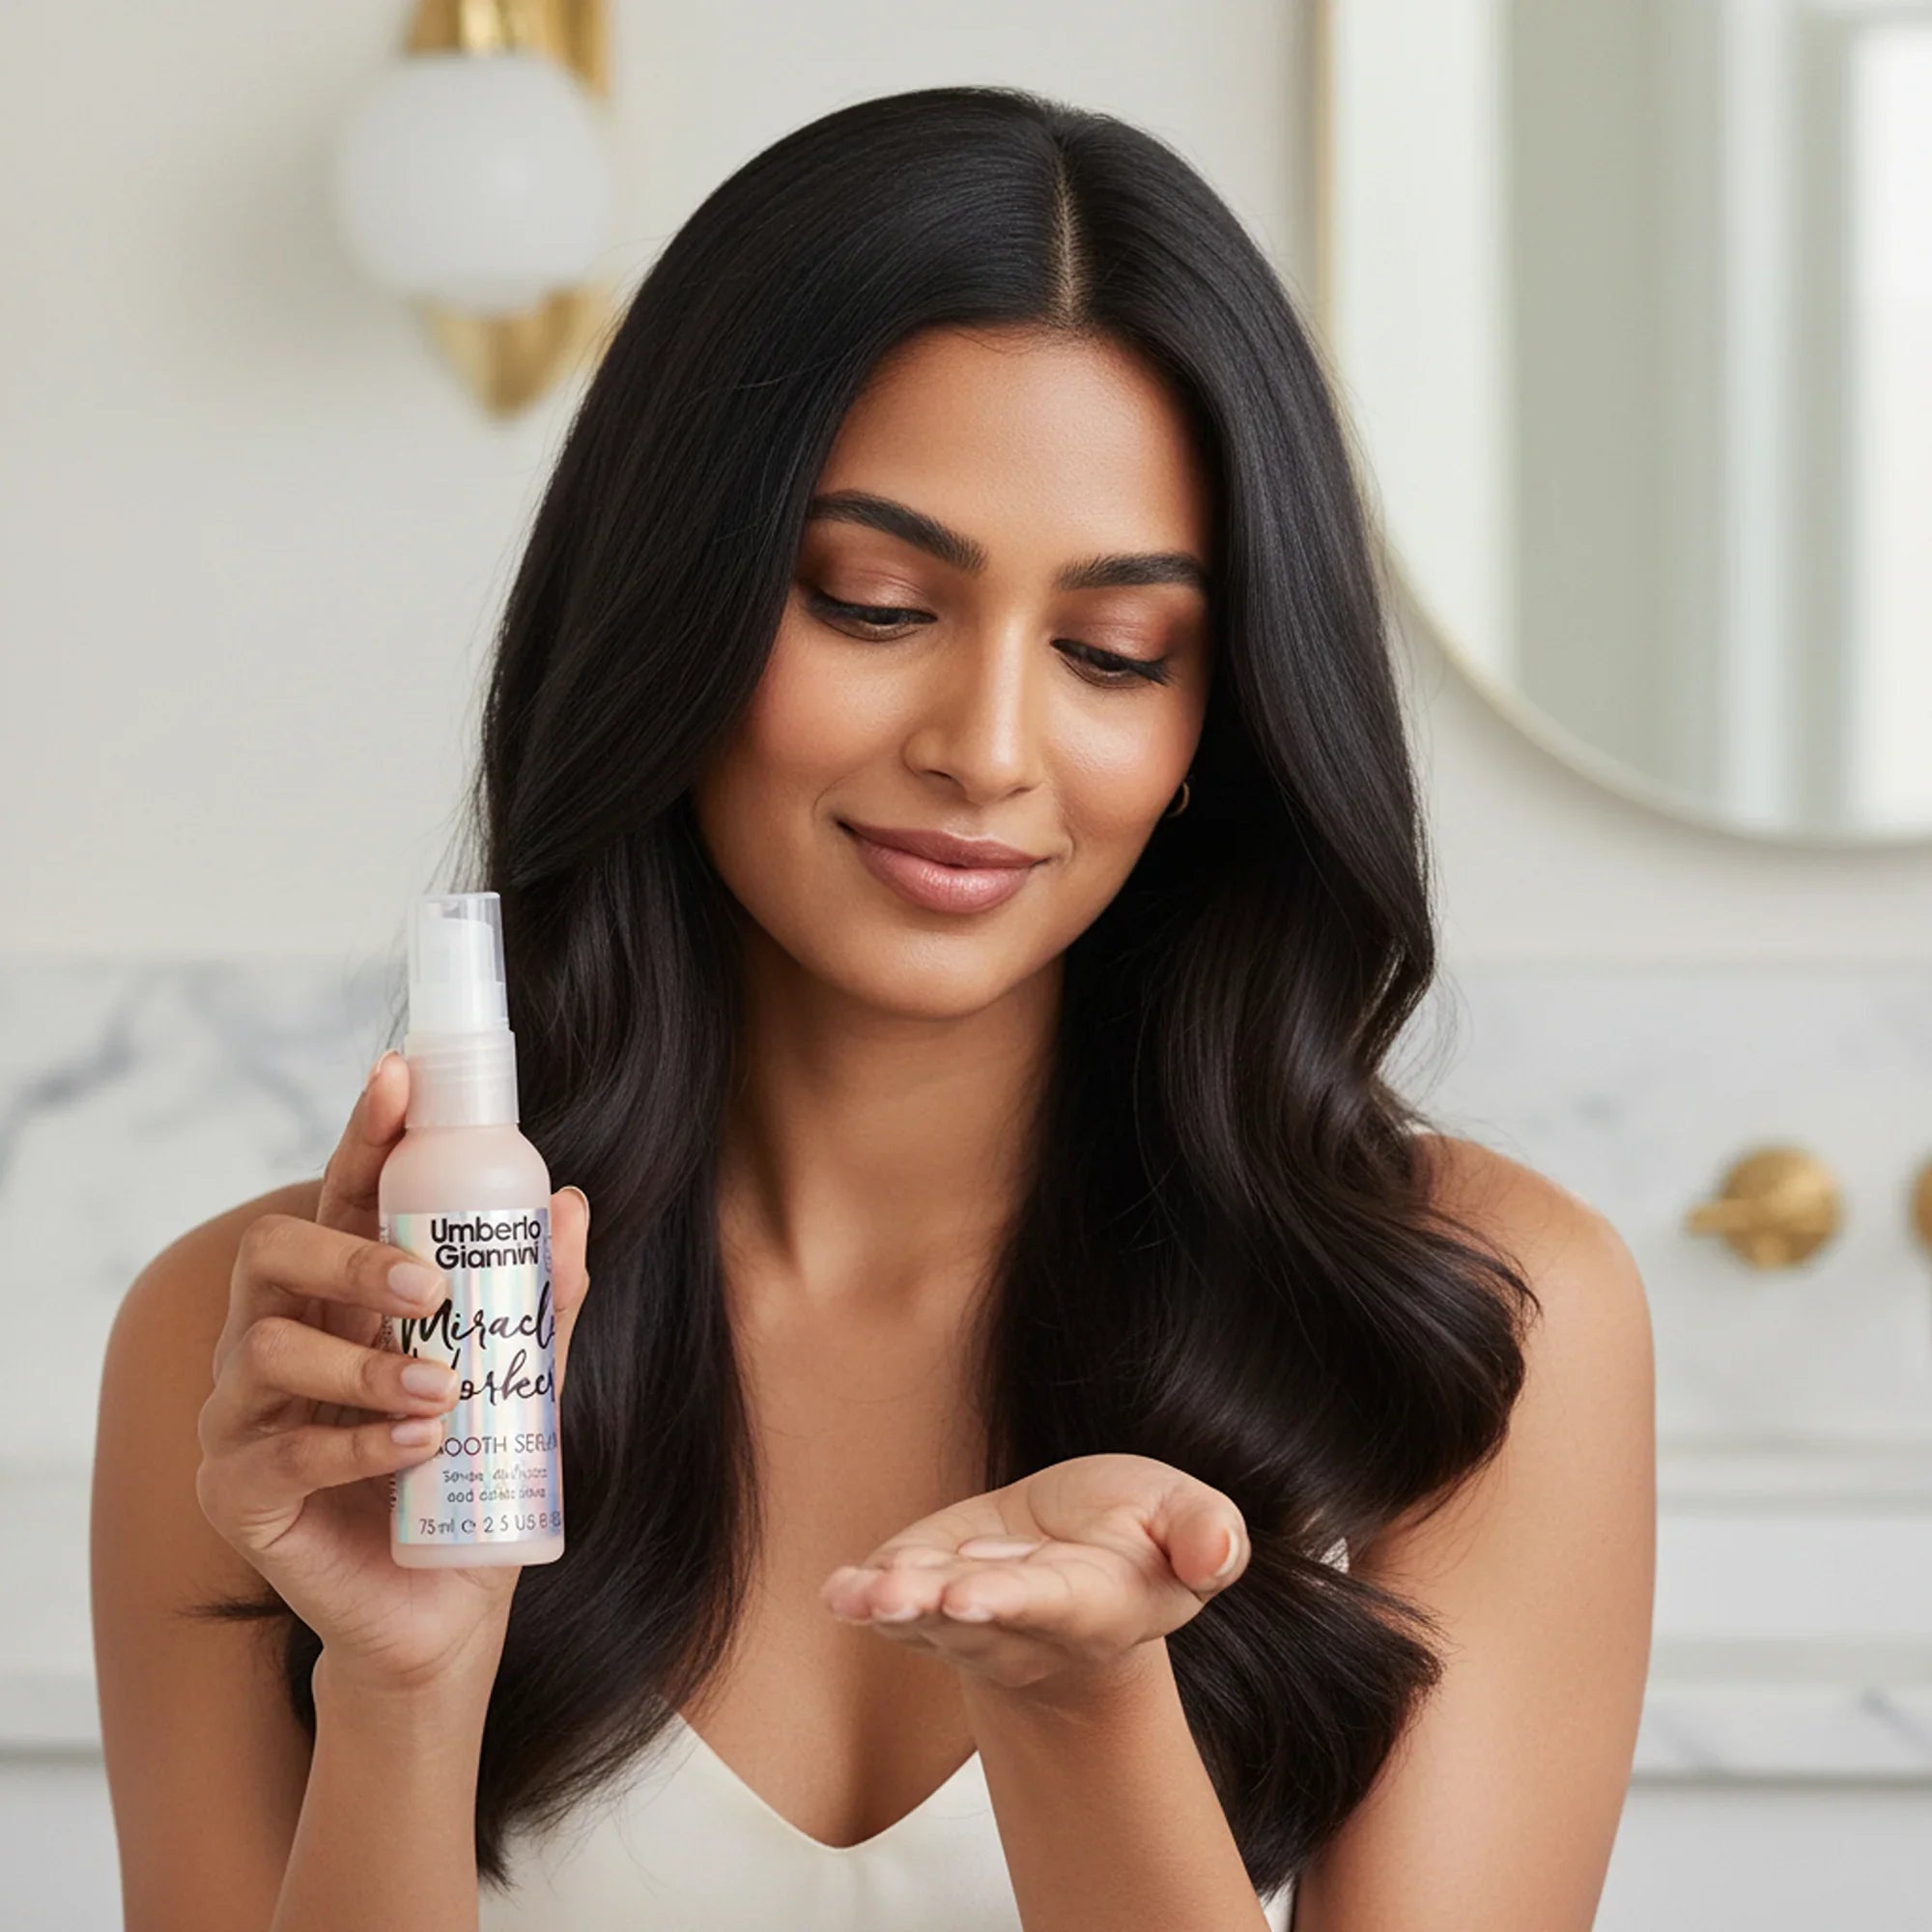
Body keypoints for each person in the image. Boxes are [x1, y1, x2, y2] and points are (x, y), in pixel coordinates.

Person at [90, 83, 1655, 1932]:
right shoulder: (294, 1353)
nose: (988, 751)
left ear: (1216, 716)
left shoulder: (1466, 1332)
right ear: (675, 602)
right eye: (872, 603)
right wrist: (405, 1691)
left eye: (1113, 651)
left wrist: (1089, 1714)